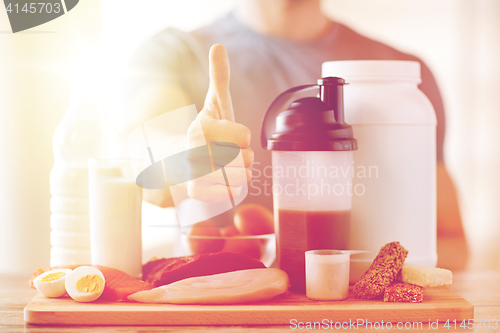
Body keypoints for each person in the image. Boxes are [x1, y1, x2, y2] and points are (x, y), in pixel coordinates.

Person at [123, 0, 468, 270]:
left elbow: (450, 243)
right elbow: (142, 157)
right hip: (215, 308)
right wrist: (185, 158)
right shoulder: (175, 54)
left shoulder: (402, 79)